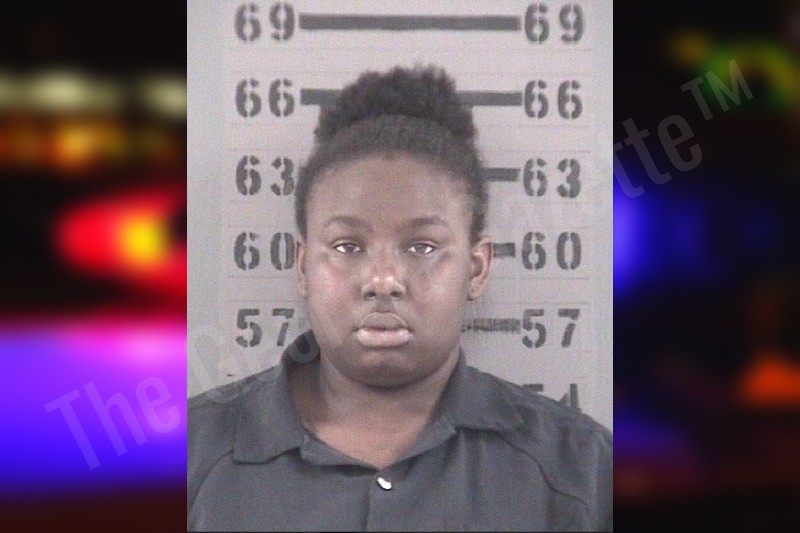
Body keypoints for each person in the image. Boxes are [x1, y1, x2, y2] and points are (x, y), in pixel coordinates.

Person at [188, 65, 612, 531]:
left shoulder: (582, 472)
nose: (383, 280)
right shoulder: (191, 454)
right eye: (347, 246)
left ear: (476, 269)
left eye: (422, 247)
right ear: (303, 267)